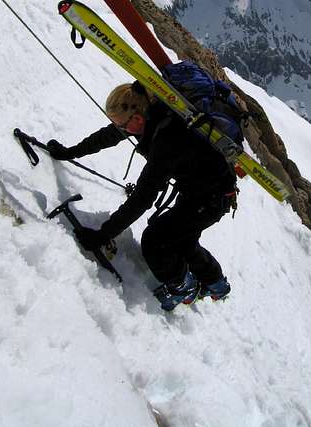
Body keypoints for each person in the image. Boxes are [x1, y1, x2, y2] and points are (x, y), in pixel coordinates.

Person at [47, 81, 237, 311]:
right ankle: (216, 284)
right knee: (182, 239)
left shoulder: (168, 138)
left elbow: (143, 198)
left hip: (210, 198)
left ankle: (183, 288)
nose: (122, 131)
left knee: (156, 241)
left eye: (123, 126)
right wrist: (69, 153)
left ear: (136, 119)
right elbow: (106, 137)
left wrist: (104, 235)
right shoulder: (151, 115)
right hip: (202, 189)